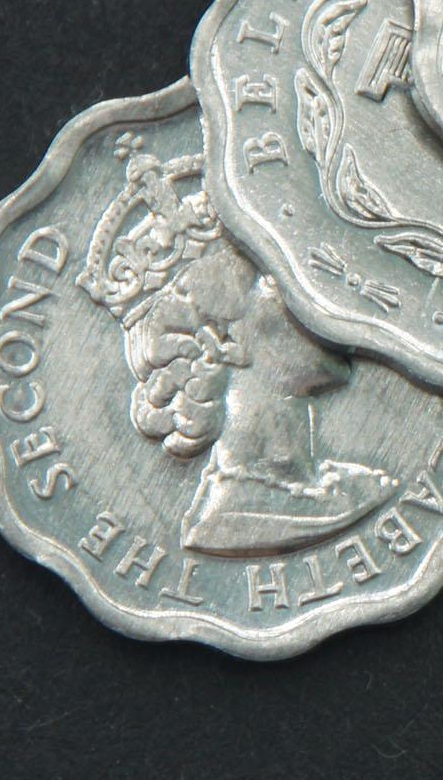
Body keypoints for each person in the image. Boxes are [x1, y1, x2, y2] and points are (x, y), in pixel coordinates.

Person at [79, 134, 396, 554]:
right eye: (278, 283)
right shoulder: (238, 520)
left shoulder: (355, 487)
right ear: (222, 342)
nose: (317, 296)